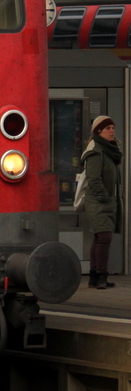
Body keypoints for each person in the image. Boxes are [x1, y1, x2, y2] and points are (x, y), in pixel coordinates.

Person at [82, 115, 122, 289]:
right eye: (108, 128)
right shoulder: (96, 151)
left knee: (99, 237)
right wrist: (105, 197)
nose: (112, 131)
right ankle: (101, 276)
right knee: (104, 236)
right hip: (98, 200)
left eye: (113, 128)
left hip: (105, 200)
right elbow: (93, 178)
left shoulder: (108, 150)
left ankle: (94, 276)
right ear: (99, 131)